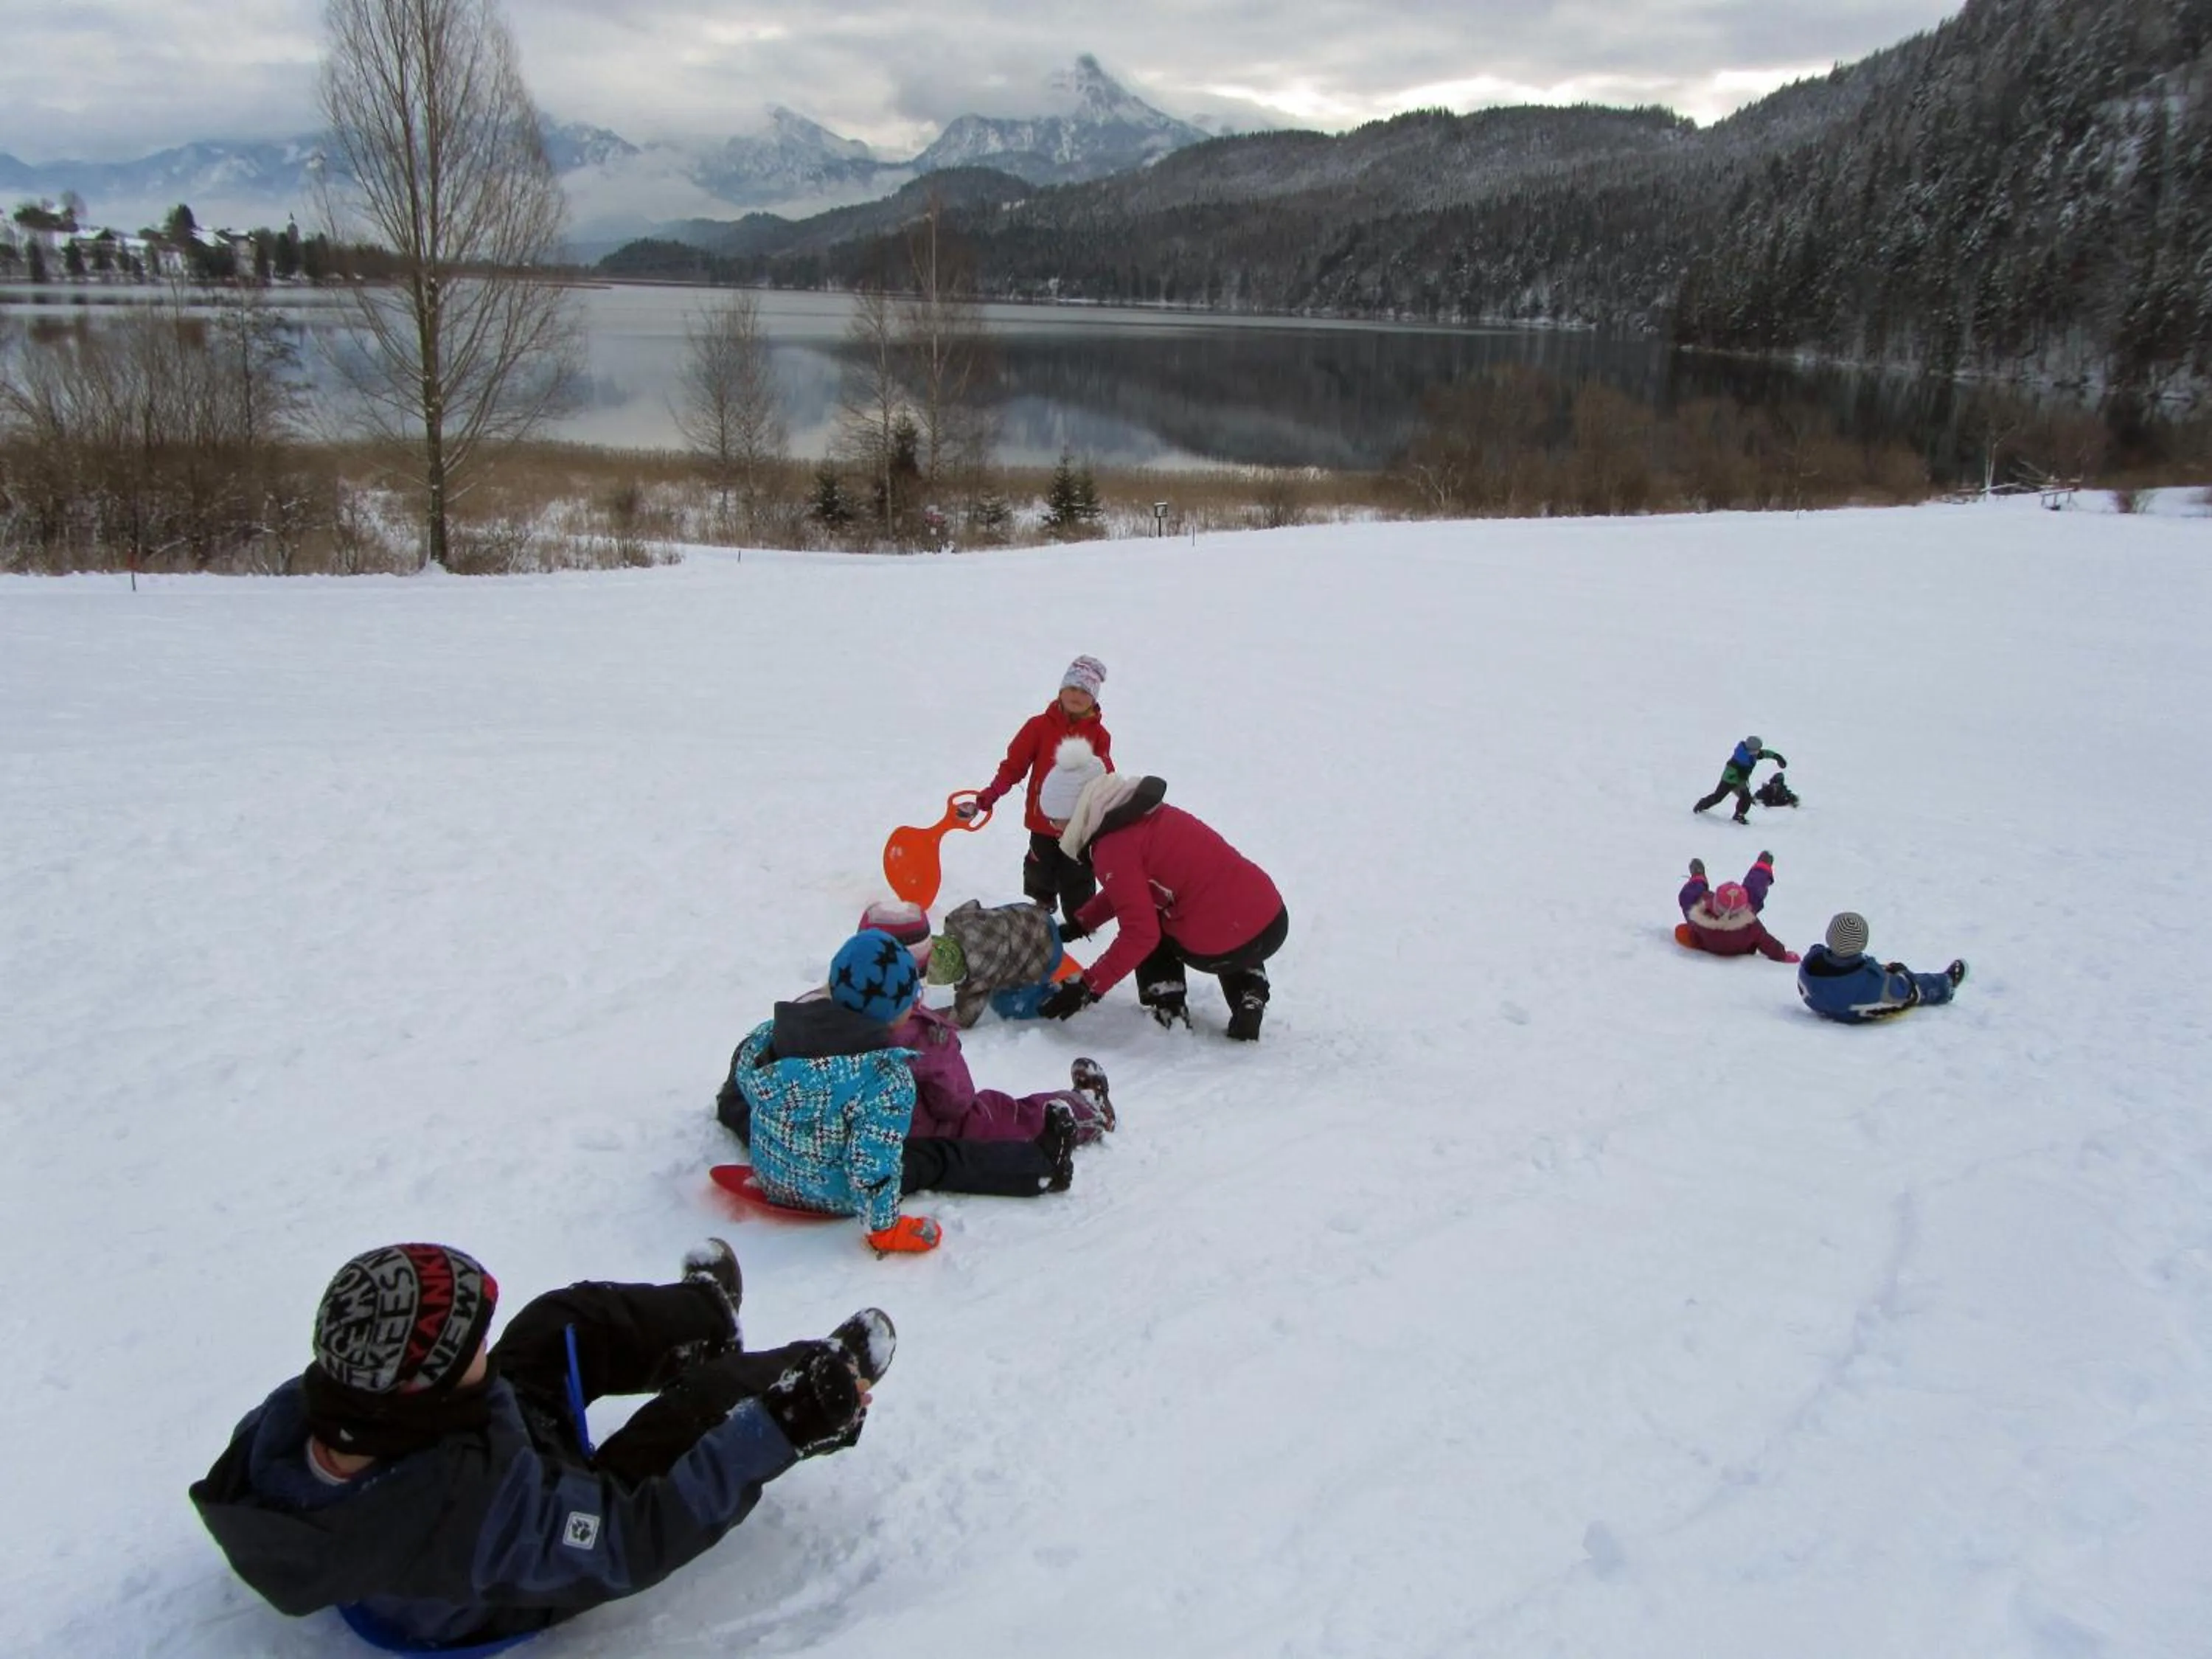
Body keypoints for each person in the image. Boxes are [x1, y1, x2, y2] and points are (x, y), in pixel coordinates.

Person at [190, 1239, 890, 1652]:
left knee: (561, 1322)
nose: (485, 1350)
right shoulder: (480, 1519)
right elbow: (631, 1537)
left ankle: (703, 1323)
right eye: (472, 1348)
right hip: (510, 1568)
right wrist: (776, 1428)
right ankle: (819, 1392)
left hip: (465, 1461)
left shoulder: (319, 1410)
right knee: (695, 1422)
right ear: (429, 1394)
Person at [715, 930, 1085, 1254]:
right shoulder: (884, 1077)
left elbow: (746, 1068)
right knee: (941, 1159)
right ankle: (1041, 1167)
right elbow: (871, 1163)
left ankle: (738, 1117)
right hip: (837, 1190)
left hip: (771, 1168)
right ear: (896, 1014)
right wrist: (885, 1230)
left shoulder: (778, 1031)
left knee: (756, 1103)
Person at [1035, 757, 1287, 1043]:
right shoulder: (1145, 813)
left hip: (1221, 941)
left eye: (1055, 818)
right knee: (1221, 910)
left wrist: (1087, 988)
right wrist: (1082, 922)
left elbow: (1139, 933)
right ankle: (1249, 992)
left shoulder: (1113, 847)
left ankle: (1167, 1003)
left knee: (1151, 923)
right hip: (1269, 917)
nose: (1053, 827)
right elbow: (1132, 887)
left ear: (1075, 810)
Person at [851, 899, 1114, 1139]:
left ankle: (1054, 994)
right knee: (1001, 1115)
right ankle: (1085, 1111)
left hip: (1039, 947)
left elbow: (964, 1015)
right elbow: (956, 1101)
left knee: (1008, 1002)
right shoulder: (924, 1034)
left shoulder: (834, 1018)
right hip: (1029, 920)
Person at [960, 655, 1113, 926]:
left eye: (1084, 691)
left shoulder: (1099, 735)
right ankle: (1043, 902)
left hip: (1078, 824)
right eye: (1073, 688)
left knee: (1078, 871)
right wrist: (992, 793)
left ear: (1094, 698)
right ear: (1061, 691)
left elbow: (1104, 775)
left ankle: (1083, 916)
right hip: (1041, 819)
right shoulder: (1038, 727)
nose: (1077, 696)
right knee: (1039, 866)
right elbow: (1014, 766)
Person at [923, 896, 1071, 1026]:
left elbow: (963, 1017)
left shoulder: (980, 971)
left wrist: (928, 1021)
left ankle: (1056, 995)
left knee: (1004, 1003)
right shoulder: (956, 921)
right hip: (1033, 916)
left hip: (1045, 952)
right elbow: (974, 905)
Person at [1796, 911, 1968, 1023]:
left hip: (1817, 1000)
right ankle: (1945, 985)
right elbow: (1899, 992)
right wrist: (1902, 972)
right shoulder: (1872, 982)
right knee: (1912, 988)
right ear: (1862, 943)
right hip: (1852, 1010)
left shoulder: (1810, 963)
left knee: (1858, 971)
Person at [1676, 852, 1800, 962]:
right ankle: (1763, 867)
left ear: (1714, 903)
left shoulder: (1700, 921)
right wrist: (1782, 955)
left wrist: (1690, 937)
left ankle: (1698, 877)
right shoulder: (1751, 925)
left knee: (1690, 897)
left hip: (1709, 939)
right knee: (1754, 893)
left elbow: (1689, 933)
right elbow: (1767, 943)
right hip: (1740, 941)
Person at [1694, 734, 1788, 824]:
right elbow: (1734, 771)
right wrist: (1739, 779)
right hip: (1729, 780)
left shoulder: (1752, 754)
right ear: (1751, 749)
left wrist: (1777, 757)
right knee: (1718, 797)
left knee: (1746, 798)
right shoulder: (1742, 757)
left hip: (1741, 780)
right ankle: (1701, 806)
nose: (1758, 751)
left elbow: (1765, 754)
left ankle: (1739, 815)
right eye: (1757, 750)